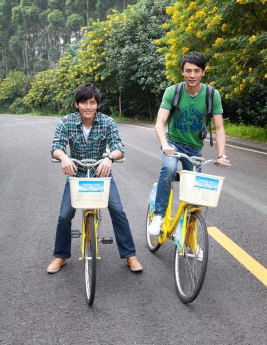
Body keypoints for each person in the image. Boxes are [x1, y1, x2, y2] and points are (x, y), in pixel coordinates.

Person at [47, 83, 143, 273]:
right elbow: (56, 146)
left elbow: (118, 148)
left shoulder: (107, 122)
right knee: (64, 215)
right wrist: (64, 157)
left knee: (118, 210)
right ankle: (60, 255)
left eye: (92, 102)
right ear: (77, 104)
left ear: (97, 104)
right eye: (84, 102)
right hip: (76, 177)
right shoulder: (66, 122)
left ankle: (130, 255)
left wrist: (109, 158)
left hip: (102, 176)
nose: (88, 107)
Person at [148, 51, 230, 235]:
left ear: (203, 72)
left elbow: (219, 128)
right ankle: (159, 216)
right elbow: (160, 122)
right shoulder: (173, 92)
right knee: (169, 169)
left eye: (196, 71)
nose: (192, 75)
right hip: (173, 144)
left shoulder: (211, 94)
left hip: (194, 148)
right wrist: (165, 144)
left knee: (195, 193)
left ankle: (190, 240)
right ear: (182, 72)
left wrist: (222, 154)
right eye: (188, 71)